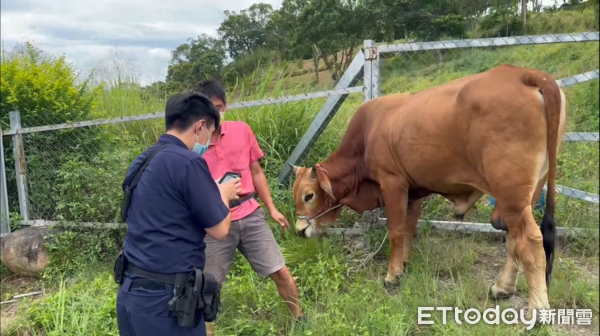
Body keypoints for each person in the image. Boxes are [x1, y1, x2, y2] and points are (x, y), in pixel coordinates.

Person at [116, 91, 242, 336]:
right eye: (211, 132)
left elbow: (166, 207)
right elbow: (220, 229)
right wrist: (223, 195)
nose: (209, 140)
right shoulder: (188, 162)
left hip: (131, 293)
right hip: (168, 304)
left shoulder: (143, 159)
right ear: (200, 126)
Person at [193, 80, 305, 333]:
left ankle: (300, 319)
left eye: (219, 107)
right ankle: (205, 331)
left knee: (281, 272)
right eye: (209, 109)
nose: (215, 114)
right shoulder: (193, 146)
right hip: (214, 221)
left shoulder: (241, 130)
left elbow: (256, 172)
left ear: (225, 106)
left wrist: (272, 208)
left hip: (250, 213)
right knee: (208, 285)